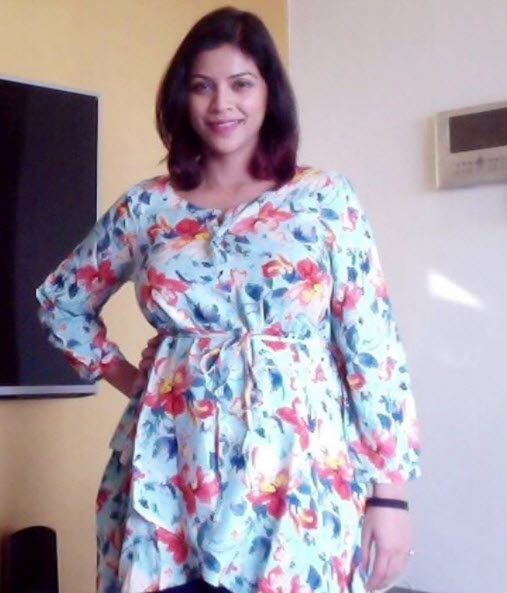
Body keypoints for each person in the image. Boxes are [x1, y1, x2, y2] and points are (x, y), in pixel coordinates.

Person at [36, 7, 421, 593]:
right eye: (202, 86)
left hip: (297, 477)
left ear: (269, 94)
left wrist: (389, 497)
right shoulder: (147, 208)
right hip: (167, 469)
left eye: (241, 84)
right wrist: (129, 379)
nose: (222, 105)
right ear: (181, 96)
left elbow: (372, 347)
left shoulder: (324, 199)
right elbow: (62, 301)